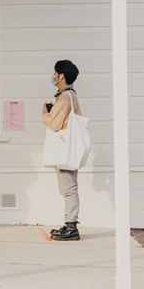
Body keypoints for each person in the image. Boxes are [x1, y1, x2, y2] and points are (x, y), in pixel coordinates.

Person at [42, 60, 82, 241]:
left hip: (66, 148)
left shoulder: (65, 96)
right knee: (67, 186)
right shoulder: (70, 94)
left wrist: (45, 112)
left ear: (61, 76)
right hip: (70, 146)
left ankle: (71, 226)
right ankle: (69, 224)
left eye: (55, 73)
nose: (54, 76)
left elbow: (54, 123)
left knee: (68, 187)